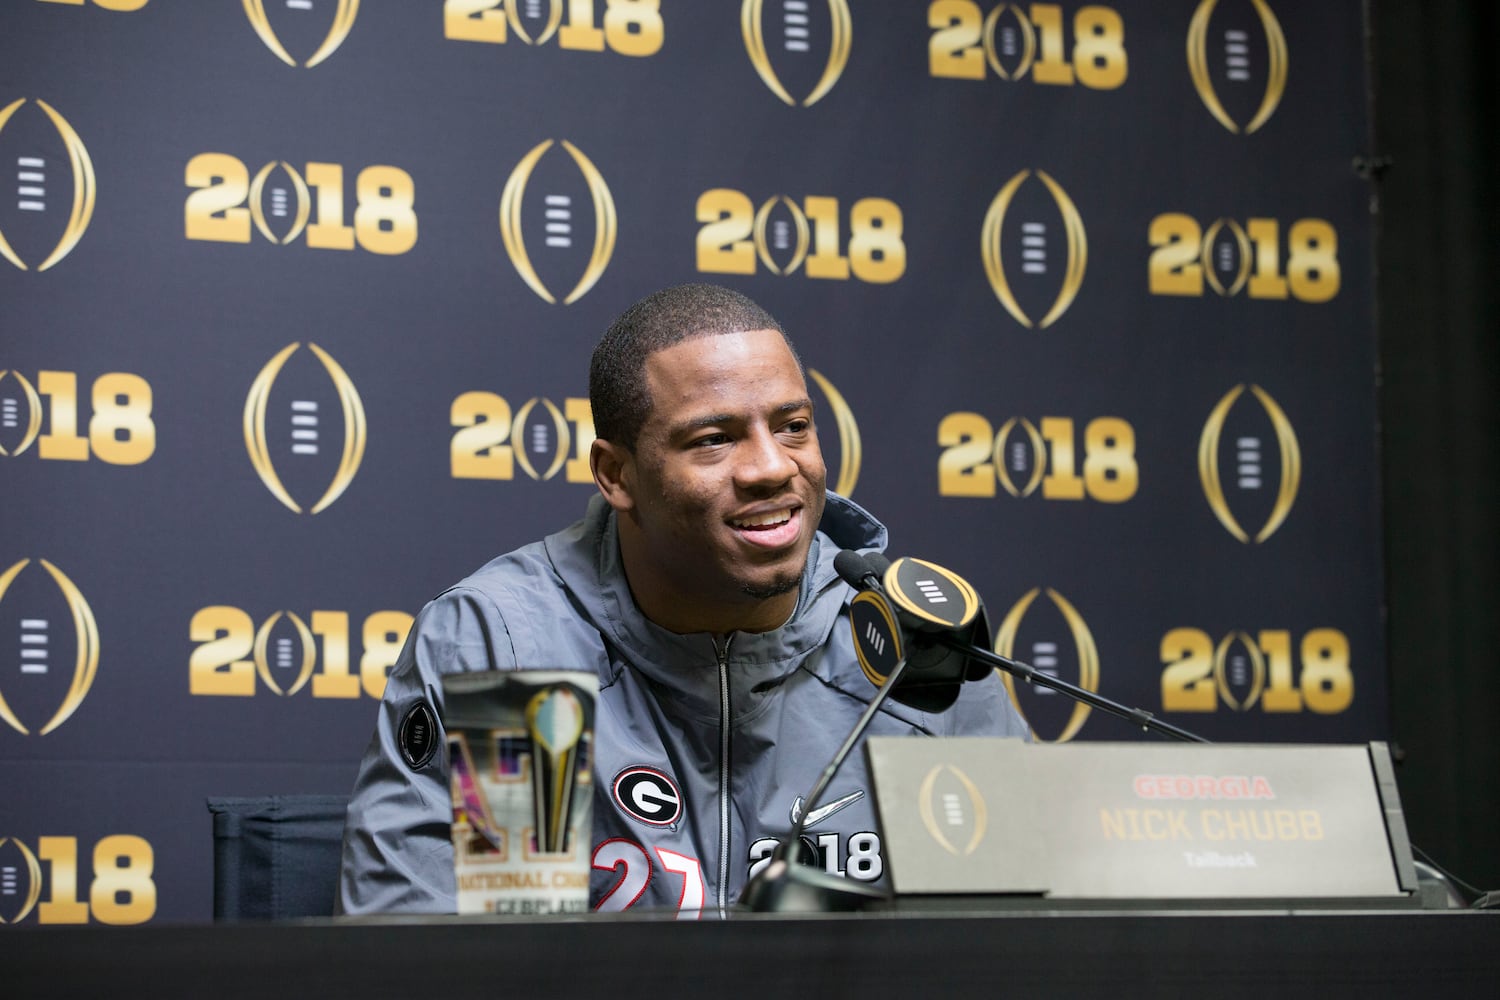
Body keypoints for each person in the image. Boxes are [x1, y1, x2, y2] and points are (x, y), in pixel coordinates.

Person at [337, 283, 1030, 918]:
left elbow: (1024, 941)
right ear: (617, 474)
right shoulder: (518, 651)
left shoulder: (916, 642)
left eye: (793, 426)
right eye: (714, 439)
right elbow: (470, 968)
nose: (771, 467)